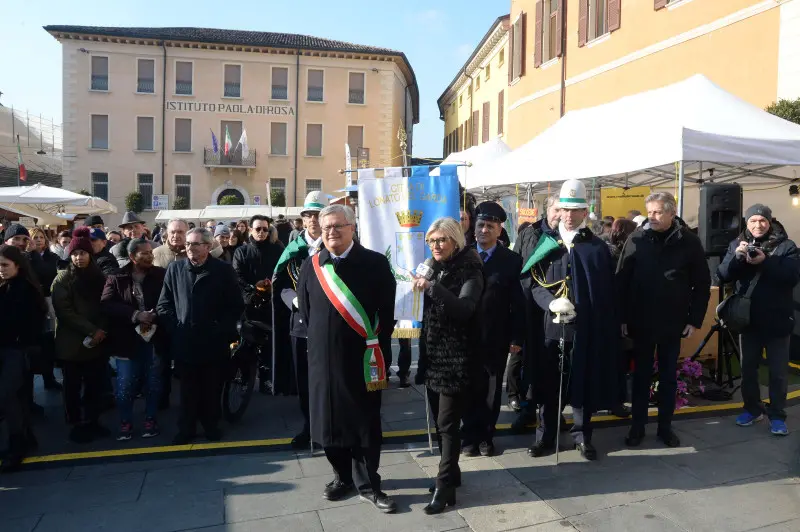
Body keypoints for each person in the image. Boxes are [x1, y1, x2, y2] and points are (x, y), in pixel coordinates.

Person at [298, 205, 397, 513]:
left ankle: (368, 484)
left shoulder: (375, 263)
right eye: (326, 226)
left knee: (364, 423)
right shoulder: (312, 265)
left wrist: (373, 346)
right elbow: (306, 312)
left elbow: (387, 312)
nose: (331, 232)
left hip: (362, 359)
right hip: (323, 361)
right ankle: (341, 477)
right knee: (327, 421)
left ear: (353, 228)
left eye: (338, 226)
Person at [527, 180, 618, 461]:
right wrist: (550, 302)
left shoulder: (596, 247)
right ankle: (545, 435)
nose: (568, 215)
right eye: (564, 209)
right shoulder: (545, 243)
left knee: (582, 381)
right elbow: (533, 283)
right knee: (549, 383)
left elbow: (604, 291)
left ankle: (582, 436)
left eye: (574, 210)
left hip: (583, 328)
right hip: (552, 327)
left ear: (584, 212)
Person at [617, 192, 711, 448]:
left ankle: (665, 428)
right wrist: (622, 317)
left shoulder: (689, 242)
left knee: (668, 378)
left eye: (658, 212)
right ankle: (637, 427)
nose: (653, 217)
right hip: (641, 321)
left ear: (672, 212)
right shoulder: (636, 239)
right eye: (649, 212)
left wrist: (694, 319)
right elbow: (622, 280)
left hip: (673, 322)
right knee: (640, 377)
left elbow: (702, 283)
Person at [412, 216, 483, 514]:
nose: (436, 245)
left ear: (456, 240)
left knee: (447, 425)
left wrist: (432, 288)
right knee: (440, 424)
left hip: (457, 359)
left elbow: (465, 309)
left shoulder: (471, 269)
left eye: (441, 240)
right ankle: (452, 476)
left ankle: (443, 486)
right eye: (431, 241)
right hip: (433, 357)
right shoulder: (433, 266)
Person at [718, 204, 800, 435]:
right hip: (748, 320)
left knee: (778, 372)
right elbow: (722, 275)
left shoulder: (786, 246)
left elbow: (792, 277)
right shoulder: (737, 243)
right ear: (747, 222)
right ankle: (752, 409)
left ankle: (777, 415)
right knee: (748, 369)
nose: (758, 225)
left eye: (762, 220)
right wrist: (737, 258)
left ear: (770, 222)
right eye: (753, 220)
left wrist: (766, 261)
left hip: (778, 319)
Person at [157, 228, 244, 444]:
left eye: (195, 244)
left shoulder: (223, 270)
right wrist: (176, 327)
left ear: (208, 246)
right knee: (187, 390)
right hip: (185, 340)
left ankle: (211, 426)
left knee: (211, 388)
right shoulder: (175, 269)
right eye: (187, 244)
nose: (190, 248)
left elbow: (235, 305)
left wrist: (220, 329)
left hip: (213, 341)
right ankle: (186, 429)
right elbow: (164, 304)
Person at [461, 203, 523, 458]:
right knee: (467, 388)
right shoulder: (462, 255)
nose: (484, 230)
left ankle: (486, 436)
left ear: (499, 230)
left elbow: (518, 303)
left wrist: (517, 337)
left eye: (490, 226)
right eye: (480, 225)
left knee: (490, 389)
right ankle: (469, 436)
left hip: (495, 336)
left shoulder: (511, 260)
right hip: (464, 336)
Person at [273, 191, 324, 449]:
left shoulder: (337, 245)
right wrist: (294, 300)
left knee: (329, 377)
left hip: (330, 323)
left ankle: (328, 425)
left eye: (317, 214)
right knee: (304, 379)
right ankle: (309, 426)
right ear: (302, 219)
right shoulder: (293, 250)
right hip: (301, 324)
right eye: (308, 215)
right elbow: (281, 284)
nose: (312, 219)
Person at [102, 238, 167, 441]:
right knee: (125, 385)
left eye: (150, 252)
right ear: (132, 256)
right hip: (126, 341)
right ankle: (125, 421)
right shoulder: (117, 277)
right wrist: (135, 315)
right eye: (144, 253)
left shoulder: (160, 275)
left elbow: (169, 300)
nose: (149, 256)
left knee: (153, 383)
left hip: (154, 338)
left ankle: (150, 419)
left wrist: (155, 314)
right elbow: (107, 304)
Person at [51, 227, 111, 444]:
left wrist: (101, 330)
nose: (79, 257)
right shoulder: (62, 279)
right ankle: (76, 423)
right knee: (72, 388)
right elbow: (65, 312)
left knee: (95, 385)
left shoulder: (99, 277)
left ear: (90, 255)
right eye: (75, 254)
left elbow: (107, 304)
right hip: (72, 344)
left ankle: (93, 420)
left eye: (83, 253)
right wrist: (92, 330)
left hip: (97, 342)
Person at [510, 194, 560, 421]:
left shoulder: (568, 236)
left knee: (555, 362)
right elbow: (518, 266)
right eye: (556, 209)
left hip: (557, 307)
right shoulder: (529, 233)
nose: (559, 215)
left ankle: (552, 412)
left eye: (563, 210)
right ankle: (529, 407)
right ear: (547, 210)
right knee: (530, 361)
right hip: (530, 306)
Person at [0, 245, 47, 472]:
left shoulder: (25, 290)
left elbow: (29, 324)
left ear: (17, 265)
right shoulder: (5, 287)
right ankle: (25, 438)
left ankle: (18, 443)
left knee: (8, 397)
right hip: (8, 350)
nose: (1, 270)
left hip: (18, 351)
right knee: (17, 398)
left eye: (4, 265)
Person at [233, 215, 286, 394]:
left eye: (265, 229)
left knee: (269, 344)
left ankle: (266, 380)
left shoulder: (277, 249)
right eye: (258, 229)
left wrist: (272, 286)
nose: (262, 232)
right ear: (250, 230)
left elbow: (282, 272)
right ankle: (245, 377)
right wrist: (252, 288)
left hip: (270, 303)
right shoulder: (242, 251)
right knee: (247, 342)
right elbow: (237, 275)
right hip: (249, 304)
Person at [606, 218, 638, 419]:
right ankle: (616, 402)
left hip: (610, 315)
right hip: (618, 316)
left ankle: (613, 400)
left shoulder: (606, 251)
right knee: (618, 363)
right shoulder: (622, 256)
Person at [27, 227, 62, 391]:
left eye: (41, 237)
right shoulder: (25, 258)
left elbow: (49, 274)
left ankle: (49, 378)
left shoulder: (52, 257)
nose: (39, 240)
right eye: (35, 237)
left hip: (49, 302)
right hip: (31, 304)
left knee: (49, 341)